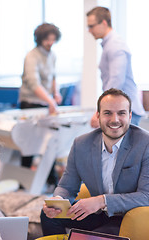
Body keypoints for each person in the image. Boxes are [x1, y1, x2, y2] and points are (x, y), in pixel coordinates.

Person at [40, 88, 149, 236]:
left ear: (130, 116)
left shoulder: (145, 143)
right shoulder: (81, 144)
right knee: (48, 217)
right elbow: (67, 186)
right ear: (98, 116)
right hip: (99, 214)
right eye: (108, 113)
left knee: (97, 235)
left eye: (121, 113)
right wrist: (58, 201)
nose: (115, 119)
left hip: (128, 217)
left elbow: (145, 196)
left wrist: (101, 201)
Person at [18, 23, 62, 186]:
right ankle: (22, 183)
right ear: (40, 39)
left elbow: (53, 77)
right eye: (47, 39)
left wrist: (55, 94)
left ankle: (51, 180)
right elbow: (33, 83)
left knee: (49, 142)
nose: (50, 42)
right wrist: (50, 100)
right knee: (28, 144)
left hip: (45, 104)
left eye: (53, 39)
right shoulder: (32, 56)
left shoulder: (52, 55)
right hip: (30, 104)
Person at [87, 6, 145, 128]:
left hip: (125, 111)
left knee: (124, 147)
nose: (89, 30)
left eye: (91, 26)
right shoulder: (110, 44)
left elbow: (116, 80)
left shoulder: (115, 45)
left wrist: (100, 110)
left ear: (103, 23)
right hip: (121, 109)